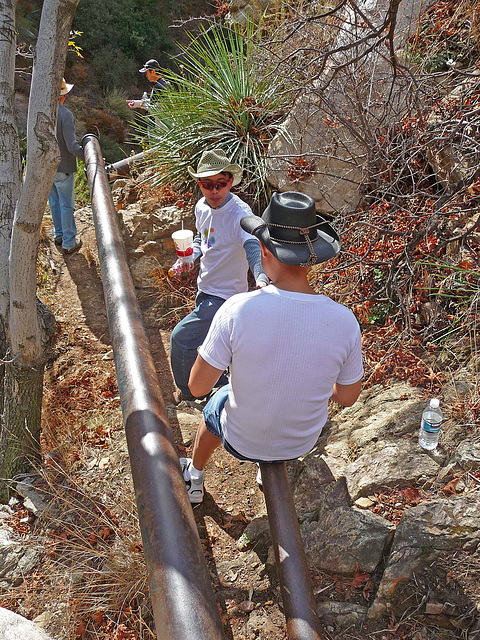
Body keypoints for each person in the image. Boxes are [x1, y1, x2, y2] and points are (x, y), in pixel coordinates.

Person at [179, 191, 364, 503]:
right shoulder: (345, 321)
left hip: (242, 440)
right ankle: (262, 472)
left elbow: (197, 387)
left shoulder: (237, 309)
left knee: (217, 402)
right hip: (301, 443)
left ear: (263, 250)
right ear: (312, 255)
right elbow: (347, 397)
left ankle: (194, 476)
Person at [170, 148, 269, 402]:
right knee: (216, 347)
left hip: (224, 298)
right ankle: (221, 385)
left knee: (181, 339)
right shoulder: (202, 207)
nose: (214, 191)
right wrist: (189, 258)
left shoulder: (240, 213)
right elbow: (204, 241)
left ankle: (189, 393)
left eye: (220, 184)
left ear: (231, 182)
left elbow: (252, 246)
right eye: (207, 184)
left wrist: (260, 277)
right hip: (205, 289)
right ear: (199, 184)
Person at [48, 78, 84, 254]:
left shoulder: (40, 111)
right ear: (62, 96)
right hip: (64, 167)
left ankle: (59, 235)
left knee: (54, 202)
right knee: (66, 205)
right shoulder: (65, 114)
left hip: (46, 168)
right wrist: (89, 156)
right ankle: (69, 243)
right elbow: (72, 146)